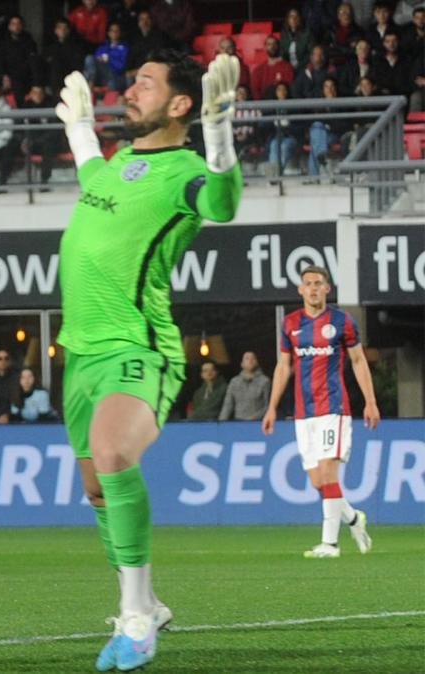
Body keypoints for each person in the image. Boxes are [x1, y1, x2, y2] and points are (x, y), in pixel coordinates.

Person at [54, 49, 242, 670]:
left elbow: (222, 204)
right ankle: (148, 602)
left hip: (139, 347)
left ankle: (135, 618)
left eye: (144, 83)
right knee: (96, 488)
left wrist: (219, 131)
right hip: (79, 354)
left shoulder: (186, 171)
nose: (128, 91)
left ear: (181, 104)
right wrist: (79, 130)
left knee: (112, 453)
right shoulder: (120, 164)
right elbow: (93, 180)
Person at [261, 266, 378, 559]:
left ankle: (330, 544)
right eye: (308, 284)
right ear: (300, 290)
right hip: (304, 413)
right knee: (319, 483)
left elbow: (358, 360)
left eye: (318, 283)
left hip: (333, 409)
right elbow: (284, 366)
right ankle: (353, 518)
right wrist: (272, 407)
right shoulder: (290, 324)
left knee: (329, 472)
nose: (313, 288)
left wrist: (371, 401)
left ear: (327, 289)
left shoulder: (342, 321)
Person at [219, 351, 270, 421]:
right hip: (238, 422)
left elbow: (268, 405)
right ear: (242, 364)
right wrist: (221, 423)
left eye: (253, 358)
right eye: (247, 358)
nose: (250, 360)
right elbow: (228, 405)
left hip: (258, 423)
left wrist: (254, 418)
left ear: (257, 362)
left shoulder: (265, 381)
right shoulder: (234, 382)